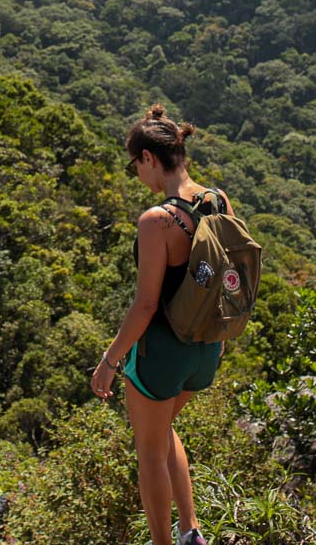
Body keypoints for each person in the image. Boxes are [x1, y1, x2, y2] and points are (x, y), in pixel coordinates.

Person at [91, 105, 228, 545]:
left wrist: (110, 361)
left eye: (135, 165)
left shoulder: (157, 221)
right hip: (205, 352)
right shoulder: (217, 200)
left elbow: (145, 306)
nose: (137, 174)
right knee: (164, 429)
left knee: (148, 453)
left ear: (149, 158)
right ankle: (191, 531)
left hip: (162, 356)